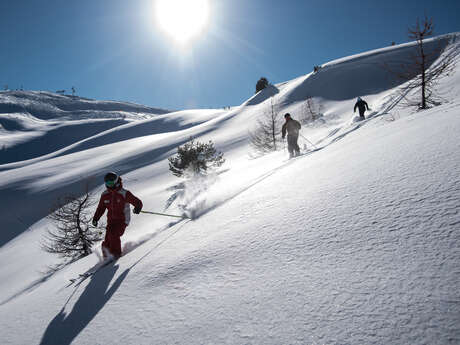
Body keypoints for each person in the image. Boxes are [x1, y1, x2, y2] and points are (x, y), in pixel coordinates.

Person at [92, 172, 143, 259]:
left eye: (111, 183)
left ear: (116, 181)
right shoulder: (105, 195)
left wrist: (137, 208)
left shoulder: (124, 193)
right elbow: (101, 208)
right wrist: (96, 218)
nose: (109, 185)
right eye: (107, 183)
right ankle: (107, 256)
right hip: (111, 221)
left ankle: (116, 254)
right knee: (107, 239)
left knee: (114, 234)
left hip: (122, 220)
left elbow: (137, 202)